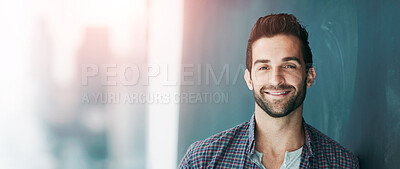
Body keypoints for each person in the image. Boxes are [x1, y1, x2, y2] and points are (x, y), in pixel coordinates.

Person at [179, 13, 360, 169]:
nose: (276, 80)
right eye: (264, 67)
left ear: (309, 76)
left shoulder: (341, 163)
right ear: (249, 79)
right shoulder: (203, 161)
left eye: (289, 66)